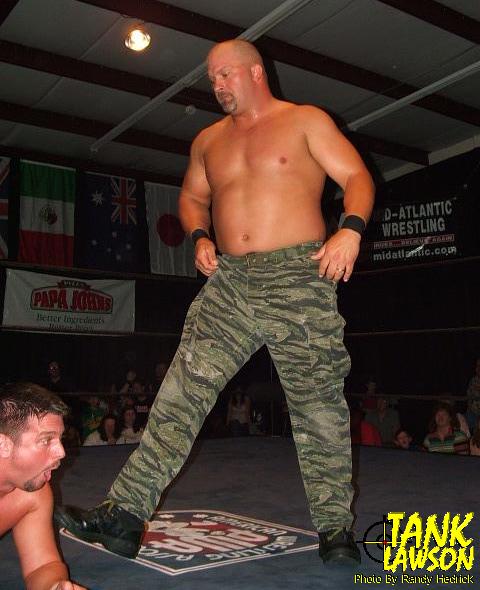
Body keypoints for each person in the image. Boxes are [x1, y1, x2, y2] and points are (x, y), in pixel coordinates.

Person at [55, 39, 374, 567]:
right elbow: (191, 197)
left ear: (256, 72)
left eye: (226, 74)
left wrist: (352, 230)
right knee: (179, 395)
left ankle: (334, 527)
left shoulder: (305, 121)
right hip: (230, 283)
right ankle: (125, 515)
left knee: (317, 404)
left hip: (298, 275)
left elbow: (357, 176)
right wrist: (200, 235)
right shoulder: (208, 140)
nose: (218, 85)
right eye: (212, 79)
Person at [0, 382, 86, 590]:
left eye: (59, 438)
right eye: (46, 440)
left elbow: (42, 566)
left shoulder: (33, 492)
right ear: (3, 445)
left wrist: (54, 586)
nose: (61, 452)